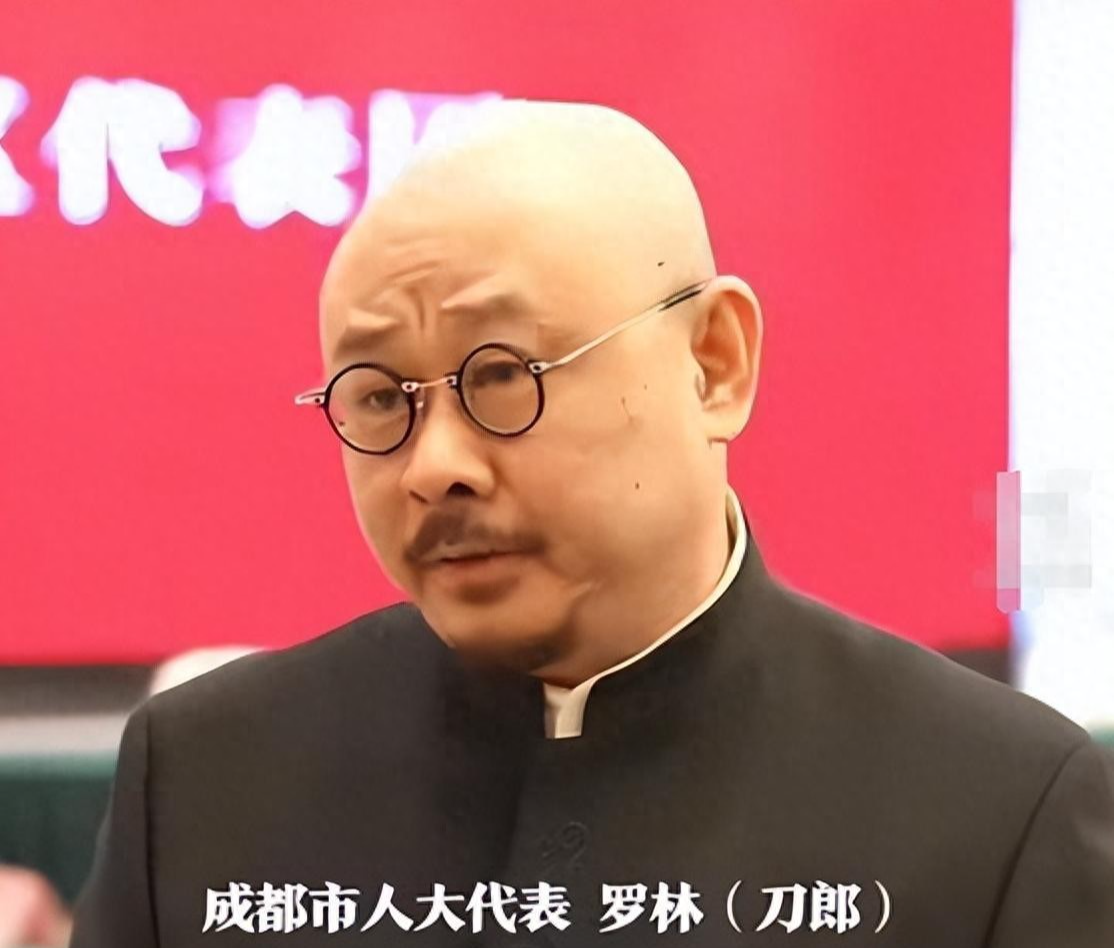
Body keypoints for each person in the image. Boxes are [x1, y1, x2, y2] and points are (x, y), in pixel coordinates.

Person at [70, 99, 1114, 947]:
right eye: (382, 398)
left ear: (714, 364)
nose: (435, 468)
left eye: (503, 376)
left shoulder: (999, 810)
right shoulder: (205, 779)